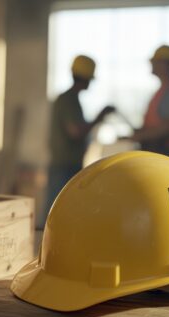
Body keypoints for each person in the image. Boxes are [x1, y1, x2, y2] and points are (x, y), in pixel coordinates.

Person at [44, 55, 115, 221]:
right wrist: (99, 117)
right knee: (58, 212)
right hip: (64, 166)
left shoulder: (70, 99)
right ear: (85, 79)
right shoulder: (68, 100)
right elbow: (75, 131)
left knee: (64, 210)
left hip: (67, 164)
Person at [128, 45, 169, 161]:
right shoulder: (163, 91)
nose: (152, 64)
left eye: (156, 61)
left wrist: (139, 136)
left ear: (166, 64)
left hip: (165, 154)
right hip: (155, 151)